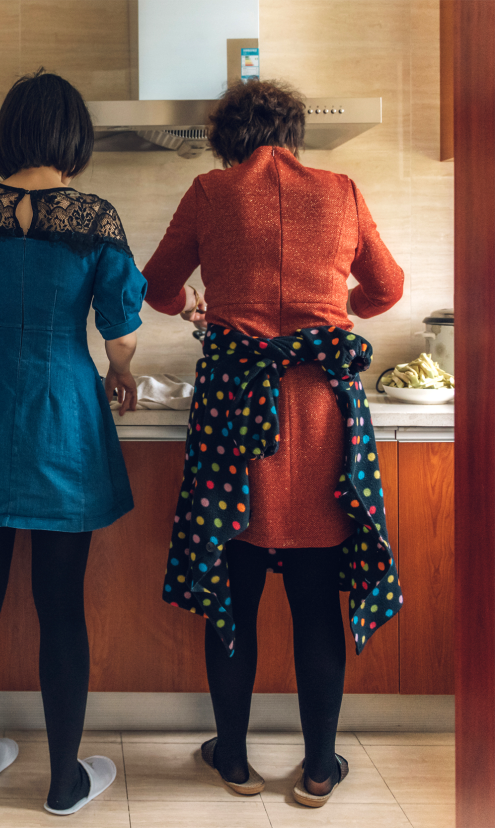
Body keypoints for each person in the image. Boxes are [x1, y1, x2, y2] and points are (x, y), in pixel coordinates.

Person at [142, 79, 404, 808]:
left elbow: (156, 284)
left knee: (236, 589)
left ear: (229, 135)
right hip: (322, 414)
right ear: (294, 132)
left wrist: (197, 307)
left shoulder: (209, 192)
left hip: (234, 413)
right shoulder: (342, 191)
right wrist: (336, 311)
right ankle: (319, 769)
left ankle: (232, 759)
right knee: (318, 599)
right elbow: (387, 288)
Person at [0, 69, 146, 815]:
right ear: (73, 137)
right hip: (64, 416)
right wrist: (121, 373)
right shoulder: (95, 218)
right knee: (60, 603)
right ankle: (64, 784)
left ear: (10, 132)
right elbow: (120, 329)